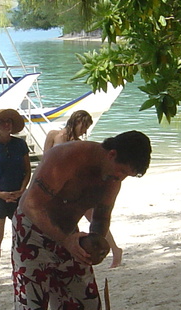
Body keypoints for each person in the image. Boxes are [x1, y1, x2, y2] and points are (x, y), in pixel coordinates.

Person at [13, 130, 151, 310]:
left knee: (90, 305)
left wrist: (98, 243)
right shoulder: (66, 157)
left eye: (125, 175)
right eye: (120, 172)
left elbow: (102, 217)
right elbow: (31, 205)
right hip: (33, 232)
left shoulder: (113, 176)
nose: (119, 179)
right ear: (111, 154)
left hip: (71, 235)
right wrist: (64, 239)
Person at [44, 109, 123, 267]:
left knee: (95, 219)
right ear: (76, 121)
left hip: (74, 188)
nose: (85, 130)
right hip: (56, 185)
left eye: (87, 126)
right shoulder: (53, 135)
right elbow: (45, 159)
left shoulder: (79, 144)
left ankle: (114, 249)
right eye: (84, 125)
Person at [0, 108, 32, 285]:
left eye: (9, 121)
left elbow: (27, 171)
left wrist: (23, 190)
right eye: (3, 121)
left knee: (20, 236)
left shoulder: (20, 145)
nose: (6, 124)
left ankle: (17, 270)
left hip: (19, 195)